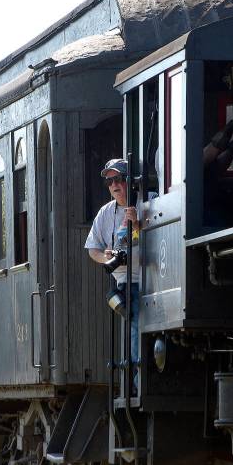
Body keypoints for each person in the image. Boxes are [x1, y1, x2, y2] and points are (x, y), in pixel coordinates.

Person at [85, 159, 142, 388]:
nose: (114, 185)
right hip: (123, 282)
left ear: (130, 181)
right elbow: (92, 250)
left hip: (150, 278)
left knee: (137, 328)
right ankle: (133, 380)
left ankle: (138, 382)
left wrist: (137, 224)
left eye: (118, 179)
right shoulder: (106, 212)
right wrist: (106, 258)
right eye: (109, 181)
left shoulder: (151, 199)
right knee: (132, 327)